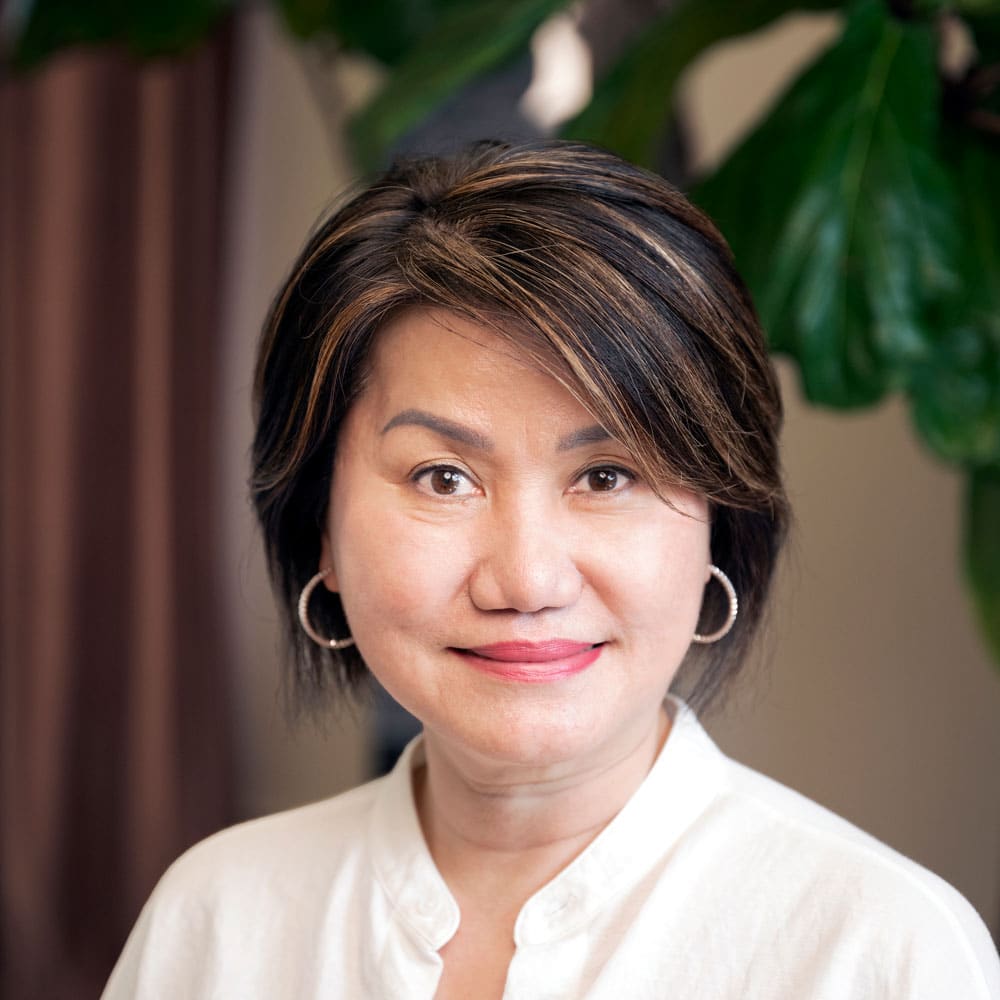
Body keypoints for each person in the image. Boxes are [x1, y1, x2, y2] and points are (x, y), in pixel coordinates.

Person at [103, 140, 1000, 999]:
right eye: (442, 478)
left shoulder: (881, 952)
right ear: (321, 528)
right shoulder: (217, 920)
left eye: (607, 476)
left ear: (718, 522)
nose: (527, 581)